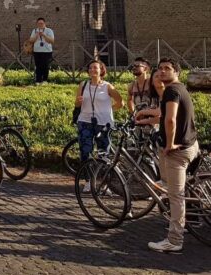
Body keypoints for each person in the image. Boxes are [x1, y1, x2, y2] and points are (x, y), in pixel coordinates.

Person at [137, 58, 198, 254]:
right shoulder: (180, 89)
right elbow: (165, 116)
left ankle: (174, 240)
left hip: (177, 150)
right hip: (190, 144)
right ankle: (179, 223)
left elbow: (170, 120)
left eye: (167, 69)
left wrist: (170, 144)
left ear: (176, 72)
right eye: (160, 68)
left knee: (176, 196)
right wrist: (145, 119)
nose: (162, 72)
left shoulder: (171, 91)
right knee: (169, 185)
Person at [74, 59, 123, 164]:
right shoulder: (83, 85)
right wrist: (78, 101)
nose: (92, 70)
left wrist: (109, 110)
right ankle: (87, 177)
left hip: (103, 123)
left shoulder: (107, 86)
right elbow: (77, 105)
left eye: (95, 67)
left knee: (103, 152)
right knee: (85, 151)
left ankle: (104, 176)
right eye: (90, 68)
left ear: (101, 70)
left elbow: (120, 102)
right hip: (85, 121)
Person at [29, 18, 55, 84]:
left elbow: (52, 41)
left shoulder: (49, 30)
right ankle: (38, 80)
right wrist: (37, 35)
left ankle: (45, 80)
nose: (40, 25)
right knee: (38, 66)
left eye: (41, 23)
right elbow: (31, 40)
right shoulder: (34, 31)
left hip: (47, 51)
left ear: (44, 23)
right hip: (37, 51)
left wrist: (43, 35)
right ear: (37, 24)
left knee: (45, 66)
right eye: (39, 23)